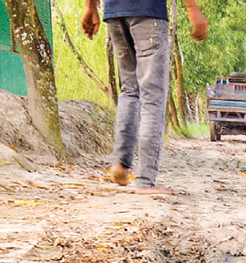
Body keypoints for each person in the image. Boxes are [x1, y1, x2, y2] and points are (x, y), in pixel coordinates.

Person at [82, 0, 208, 195]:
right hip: (148, 12)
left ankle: (120, 164)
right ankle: (146, 181)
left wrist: (90, 7)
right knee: (153, 96)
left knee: (130, 90)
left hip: (115, 13)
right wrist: (193, 9)